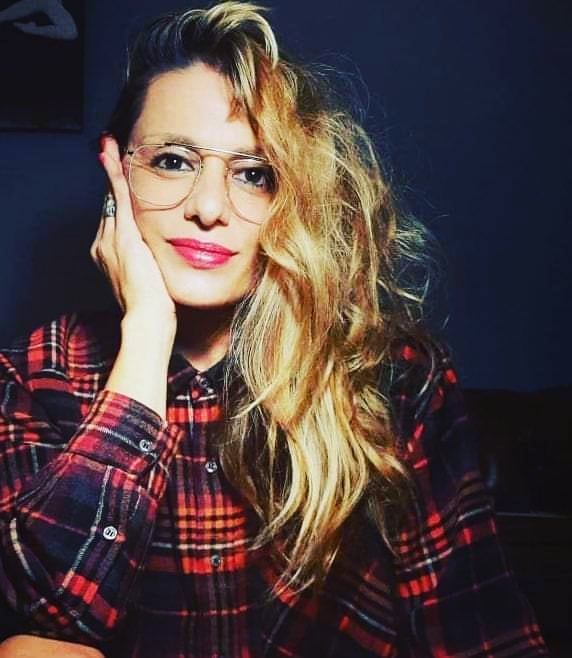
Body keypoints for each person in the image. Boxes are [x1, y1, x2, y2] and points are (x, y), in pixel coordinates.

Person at [0, 2, 548, 656]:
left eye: (254, 174)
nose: (209, 207)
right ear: (117, 169)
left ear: (294, 194)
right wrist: (146, 333)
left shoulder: (393, 377)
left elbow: (483, 634)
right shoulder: (38, 375)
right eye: (173, 160)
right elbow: (49, 613)